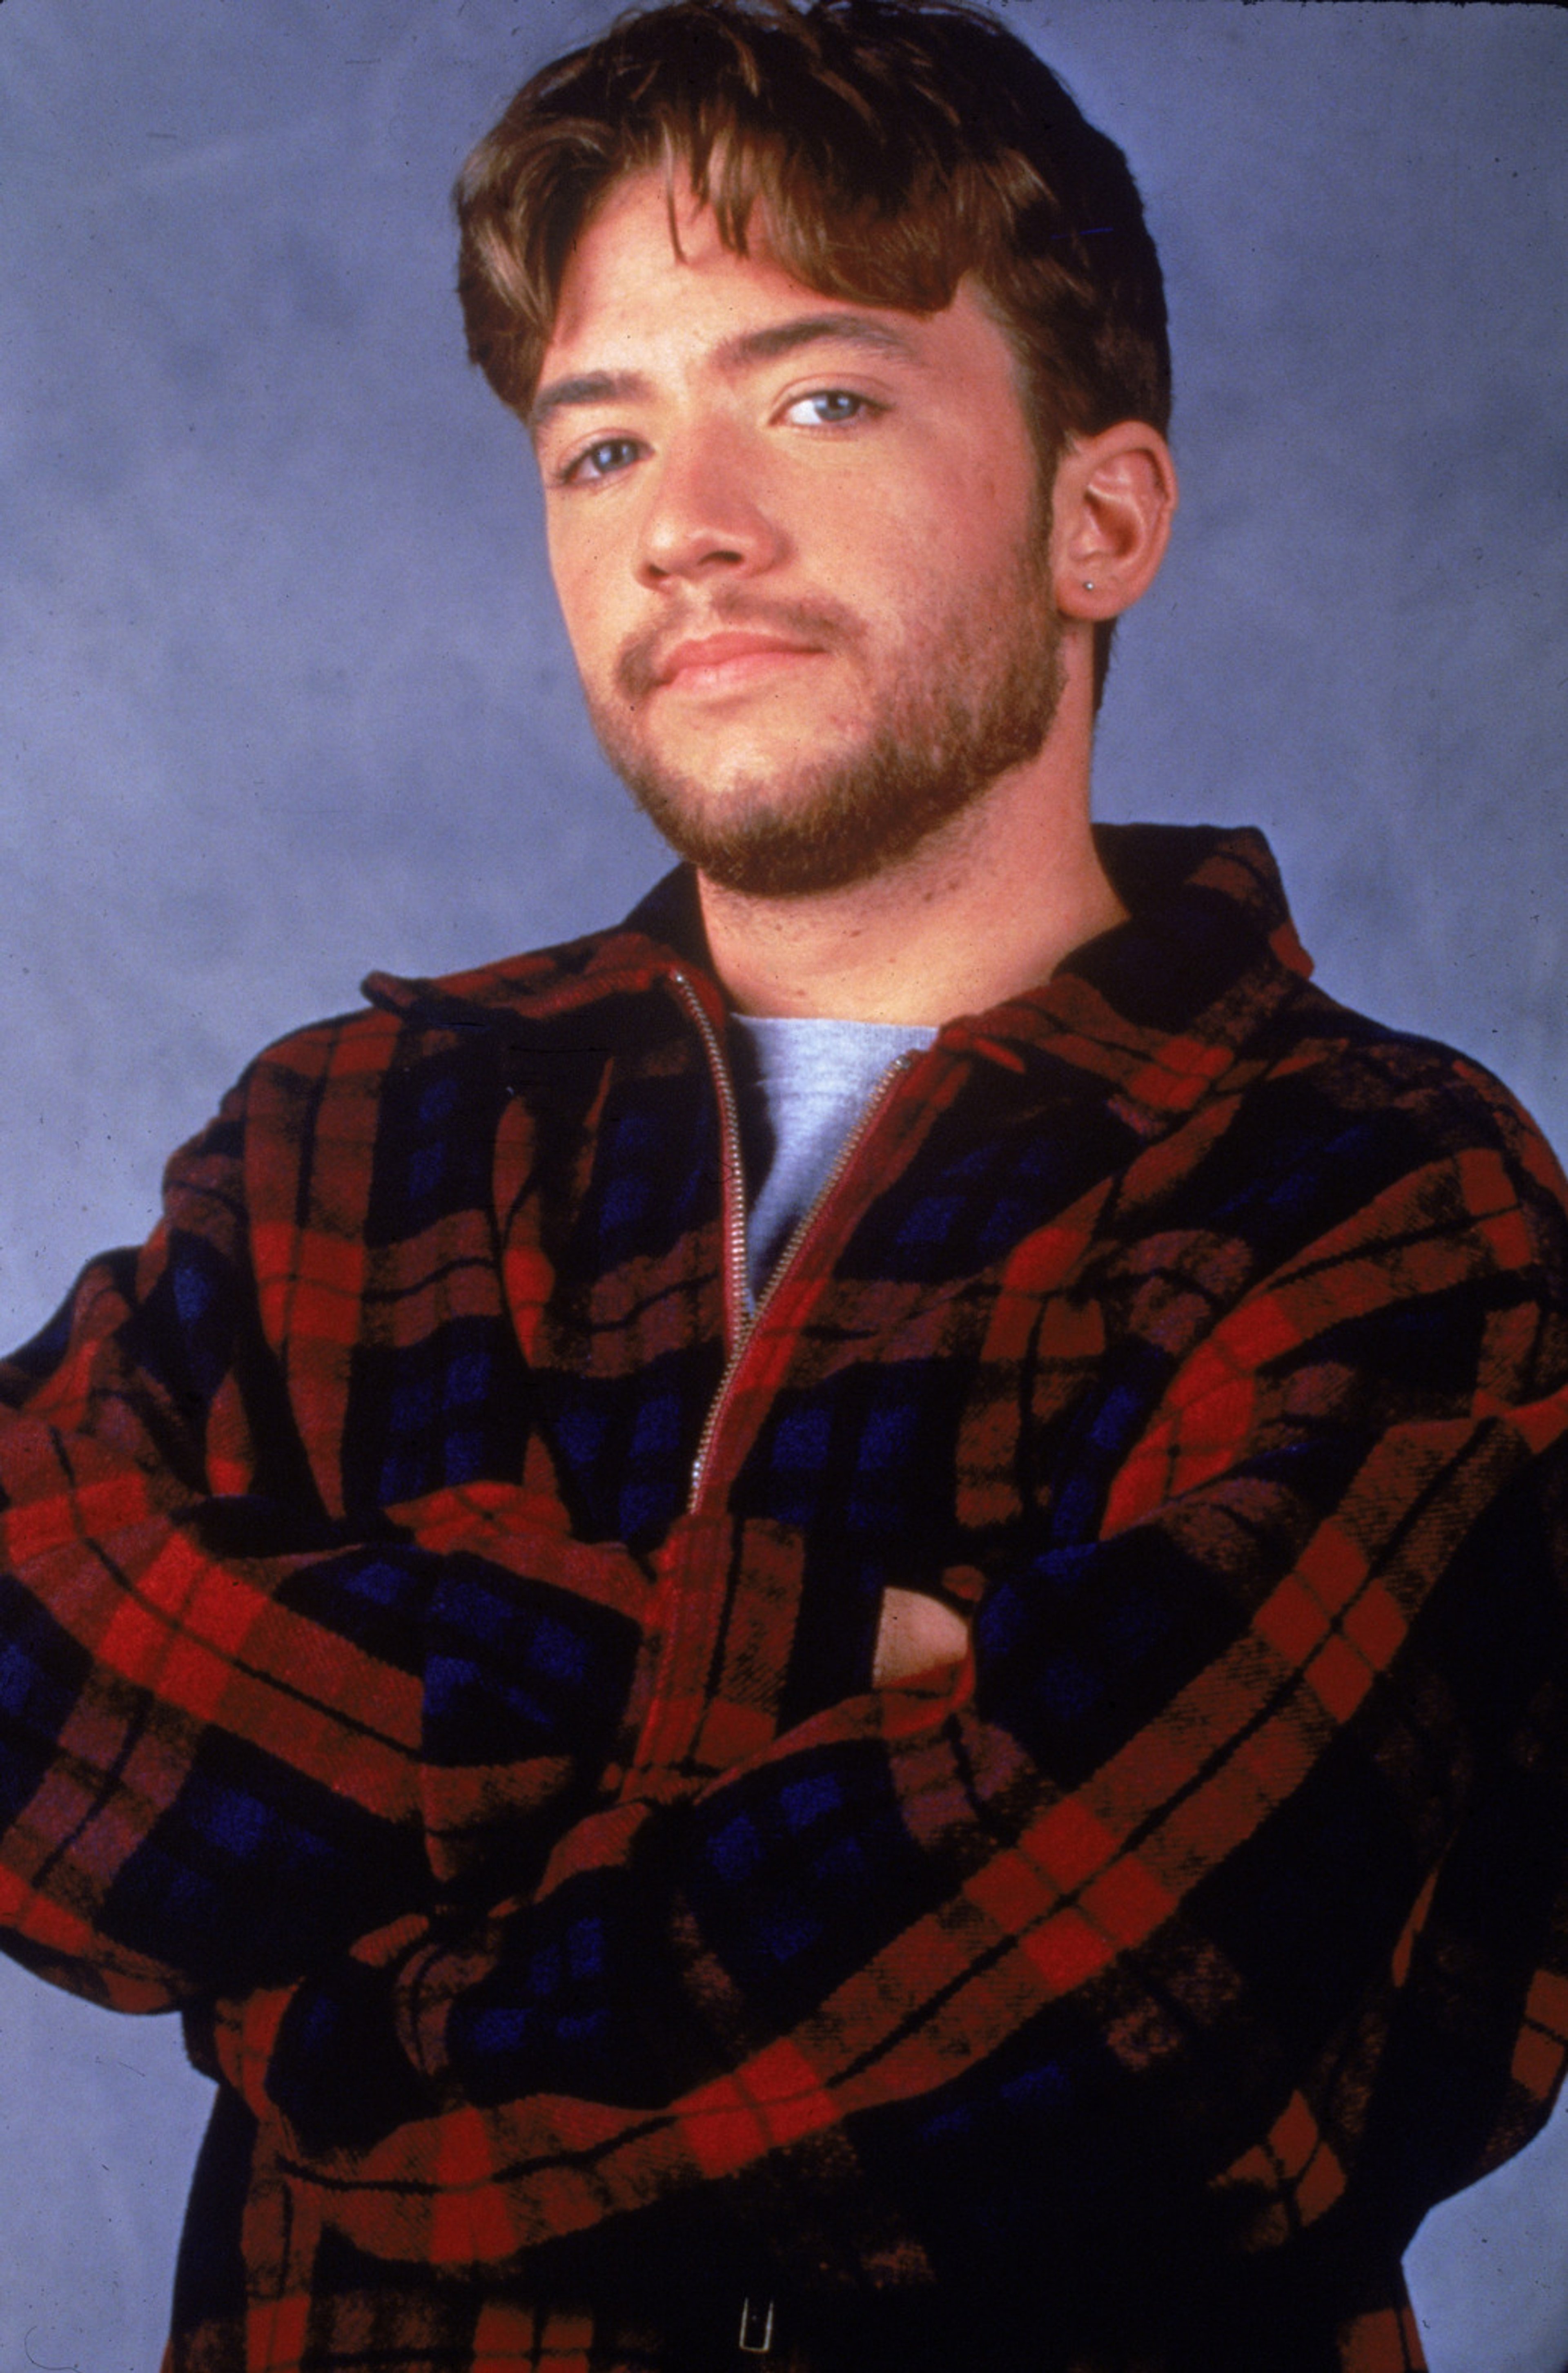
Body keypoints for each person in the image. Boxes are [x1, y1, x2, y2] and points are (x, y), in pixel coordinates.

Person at [2, 2, 1566, 2368]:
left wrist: (334, 2025)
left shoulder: (1381, 1200)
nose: (685, 526)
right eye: (599, 439)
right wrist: (796, 1666)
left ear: (1099, 513)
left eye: (818, 399)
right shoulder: (354, 1134)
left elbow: (1102, 2028)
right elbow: (29, 1686)